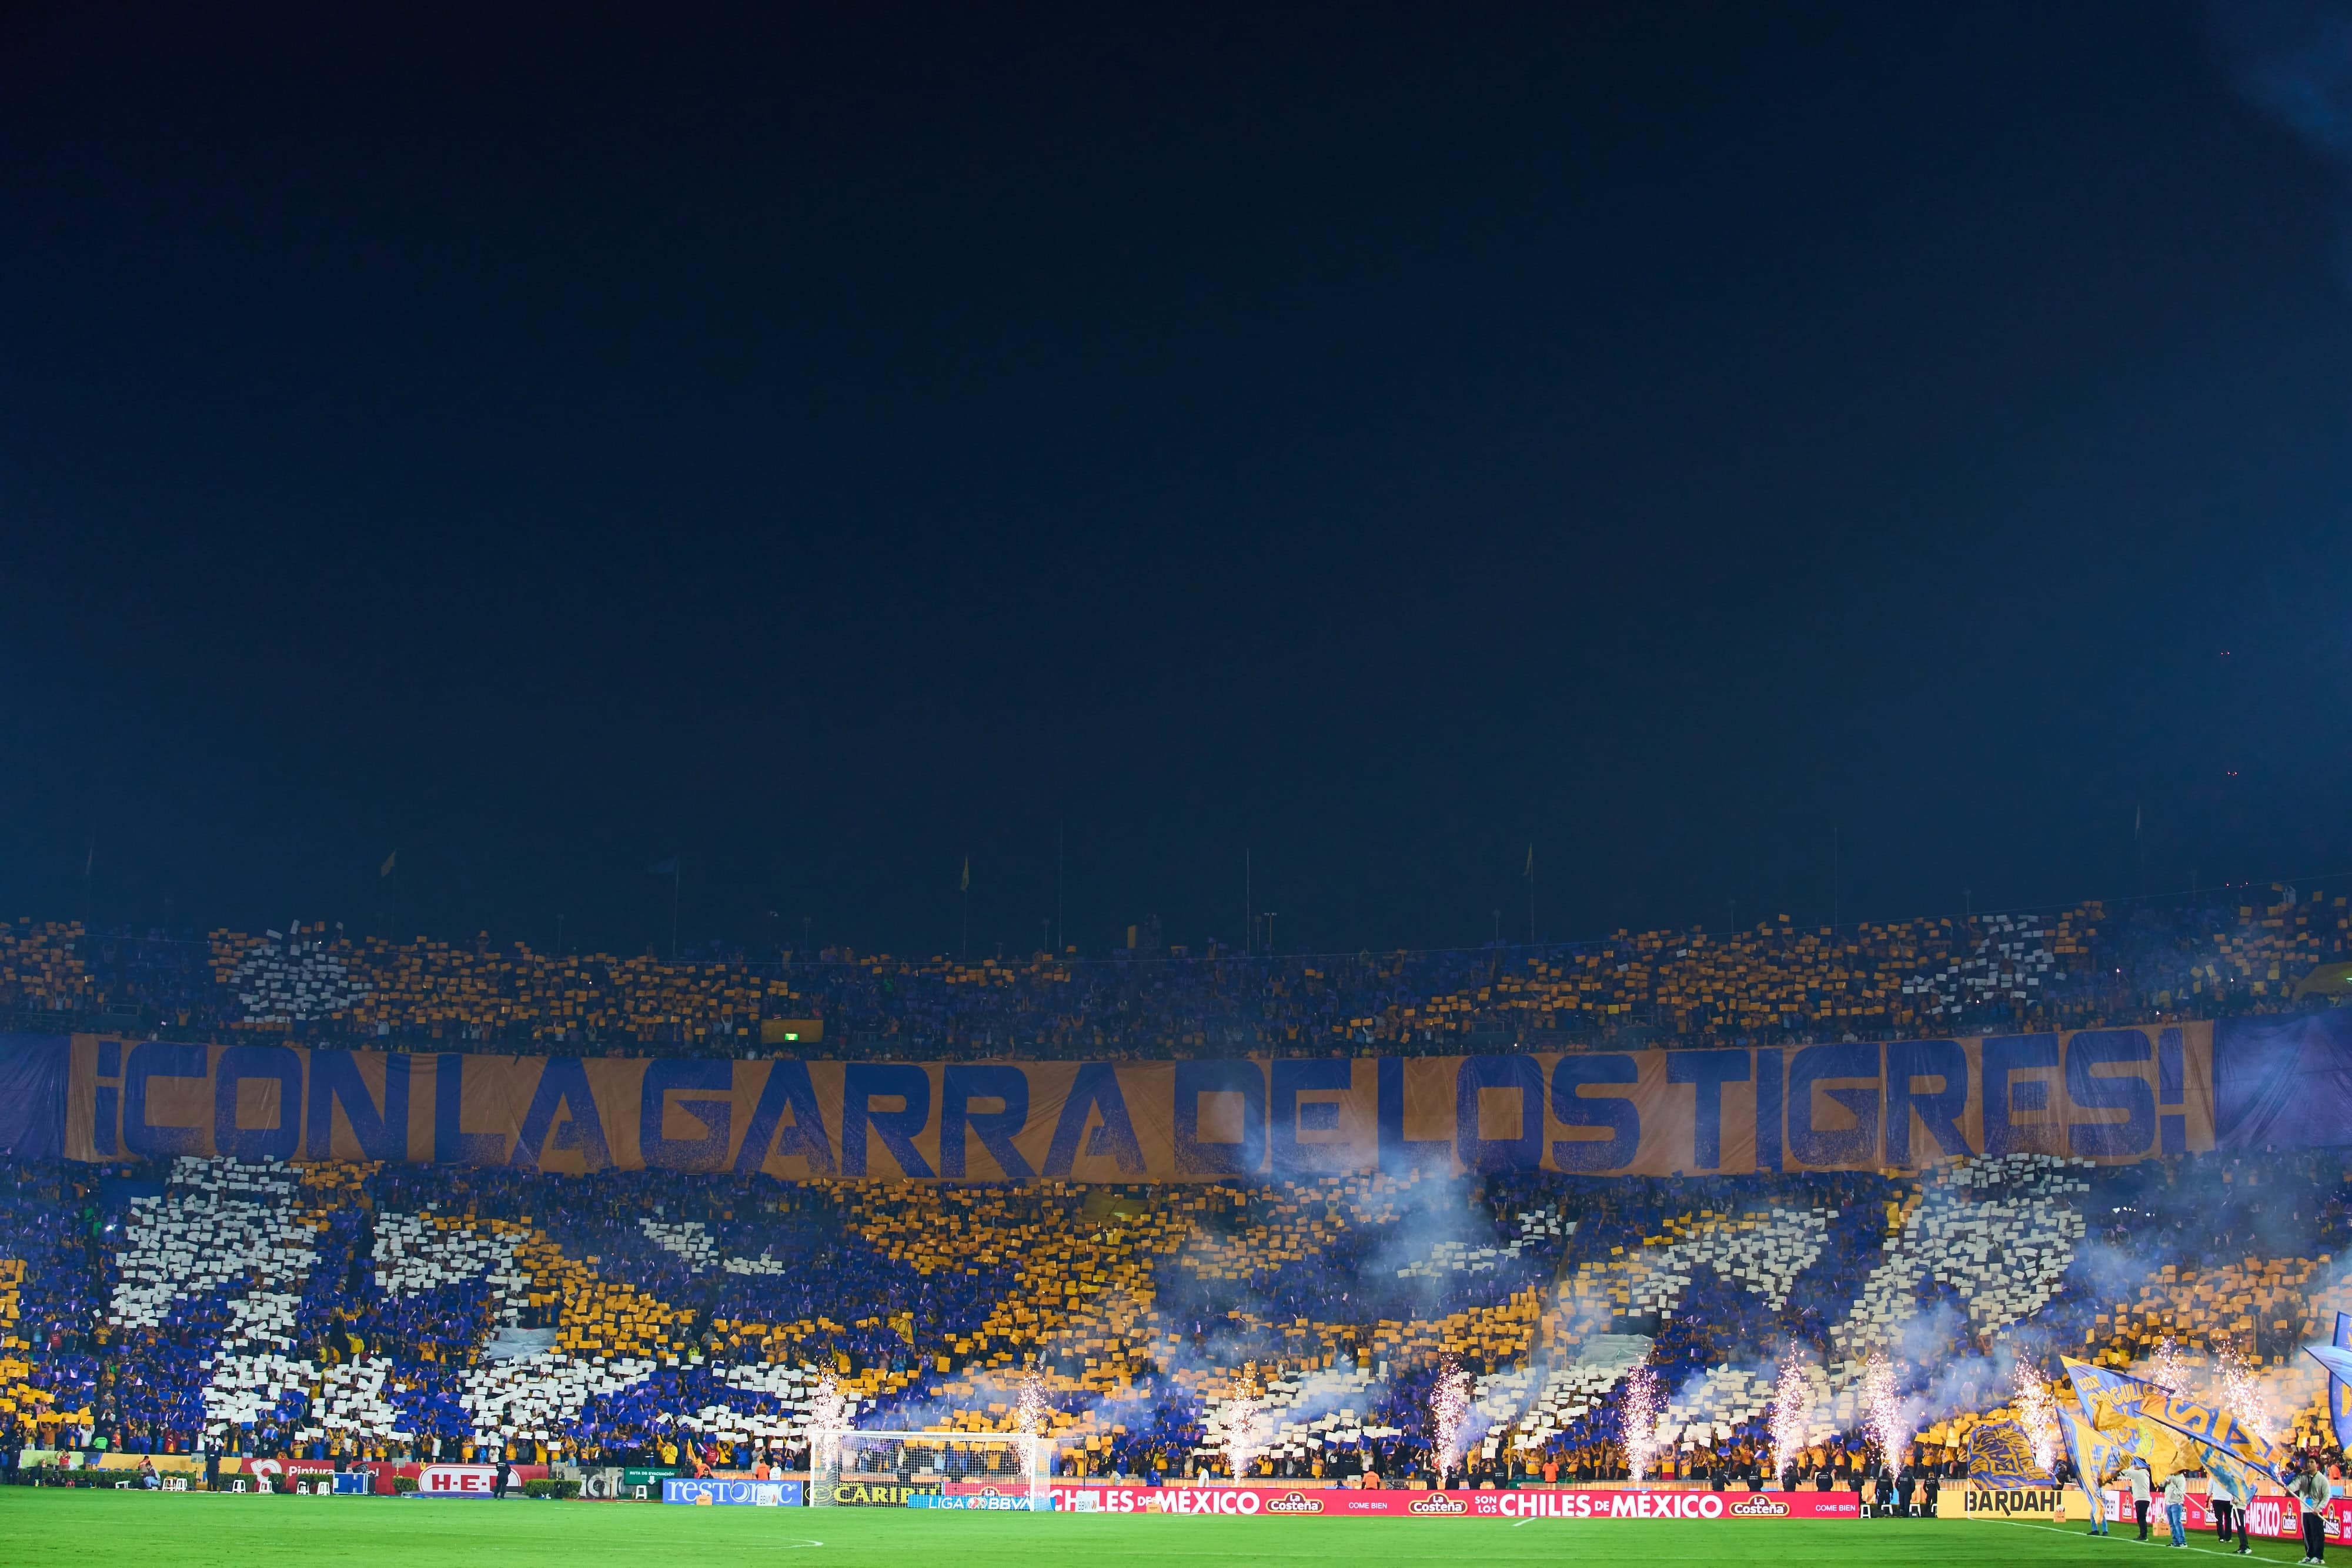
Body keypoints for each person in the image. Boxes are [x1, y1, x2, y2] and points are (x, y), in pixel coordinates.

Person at [2291, 1454, 2333, 1566]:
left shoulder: (2322, 1479)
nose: (2309, 1464)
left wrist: (2319, 1508)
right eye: (2308, 1462)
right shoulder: (2302, 1476)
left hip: (2315, 1512)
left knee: (2317, 1535)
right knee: (2307, 1535)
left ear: (2317, 1465)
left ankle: (2319, 1556)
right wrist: (2289, 1488)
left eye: (2312, 1462)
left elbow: (2326, 1496)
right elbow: (2295, 1485)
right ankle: (2309, 1555)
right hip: (2304, 1511)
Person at [2210, 1466, 2248, 1554]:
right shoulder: (2236, 1480)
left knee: (2240, 1525)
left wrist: (2236, 1500)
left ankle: (2244, 1546)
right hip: (2235, 1504)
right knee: (2238, 1525)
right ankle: (2242, 1545)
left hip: (2239, 1505)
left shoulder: (2240, 1481)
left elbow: (2242, 1493)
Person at [2129, 1460, 2154, 1541]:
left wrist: (2119, 1468)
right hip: (2142, 1498)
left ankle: (2144, 1535)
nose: (2135, 1466)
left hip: (2142, 1499)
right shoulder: (2143, 1474)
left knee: (2141, 1518)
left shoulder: (2140, 1473)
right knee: (2141, 1517)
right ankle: (2143, 1534)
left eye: (2136, 1464)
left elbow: (2128, 1472)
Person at [2164, 1469, 2187, 1547]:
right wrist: (2164, 1481)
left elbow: (2180, 1492)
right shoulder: (2170, 1476)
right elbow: (2161, 1485)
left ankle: (2183, 1542)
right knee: (2172, 1524)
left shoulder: (2181, 1479)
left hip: (2177, 1503)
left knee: (2177, 1522)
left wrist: (2172, 1485)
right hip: (2168, 1502)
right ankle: (2176, 1541)